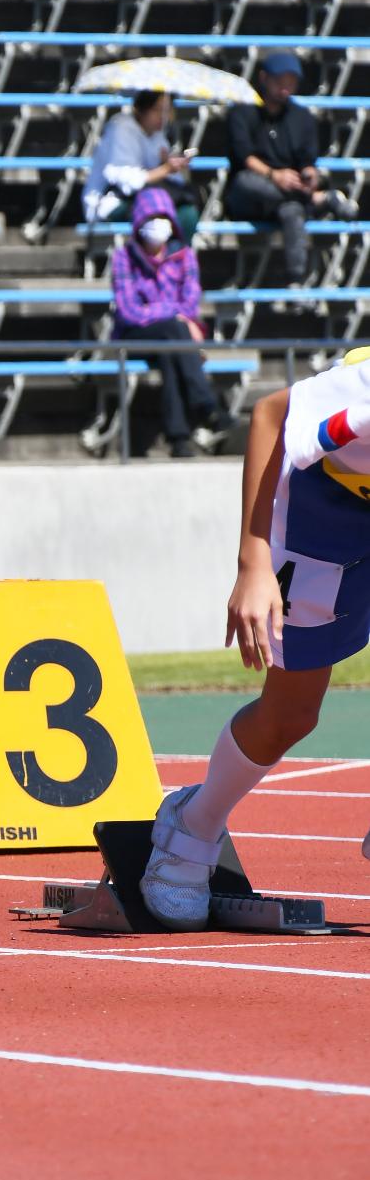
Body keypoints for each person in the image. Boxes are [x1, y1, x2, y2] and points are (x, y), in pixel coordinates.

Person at [142, 351, 370, 930]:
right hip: (325, 512)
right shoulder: (363, 396)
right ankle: (192, 824)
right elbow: (272, 415)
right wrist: (254, 563)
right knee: (291, 714)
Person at [112, 188, 232, 460]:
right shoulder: (124, 258)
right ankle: (205, 405)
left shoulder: (184, 255)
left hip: (172, 339)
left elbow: (191, 301)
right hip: (135, 335)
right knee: (174, 330)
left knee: (170, 349)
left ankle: (178, 439)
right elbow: (128, 311)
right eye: (151, 217)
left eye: (163, 217)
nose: (158, 223)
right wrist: (173, 315)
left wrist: (168, 315)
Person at [224, 51, 357, 286]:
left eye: (290, 83)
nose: (285, 89)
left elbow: (307, 161)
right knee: (247, 182)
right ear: (264, 78)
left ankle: (296, 280)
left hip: (288, 195)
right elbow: (244, 157)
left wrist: (308, 175)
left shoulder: (301, 116)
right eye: (279, 82)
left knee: (292, 210)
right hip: (250, 192)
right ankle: (318, 200)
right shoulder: (243, 111)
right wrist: (274, 175)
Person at [82, 91, 197, 236]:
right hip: (111, 202)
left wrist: (169, 164)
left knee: (187, 213)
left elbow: (174, 179)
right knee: (159, 220)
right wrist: (166, 169)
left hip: (146, 199)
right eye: (157, 109)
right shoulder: (120, 128)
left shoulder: (158, 135)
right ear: (141, 108)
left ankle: (180, 258)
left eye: (166, 111)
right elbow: (127, 183)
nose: (162, 116)